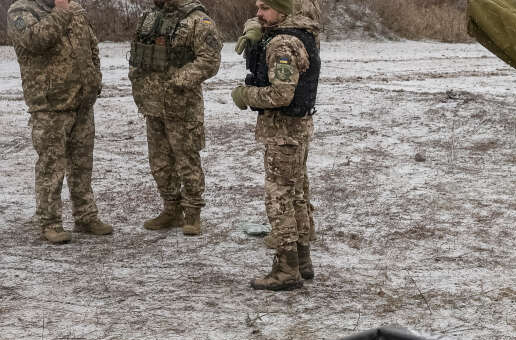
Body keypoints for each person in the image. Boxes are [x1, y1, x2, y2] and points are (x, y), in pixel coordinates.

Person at [230, 0, 320, 291]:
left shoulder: (282, 43)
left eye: (266, 8)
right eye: (258, 7)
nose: (258, 13)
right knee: (296, 195)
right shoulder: (300, 33)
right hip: (297, 129)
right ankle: (302, 260)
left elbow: (281, 94)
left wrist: (246, 95)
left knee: (279, 199)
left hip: (284, 132)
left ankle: (286, 269)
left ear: (283, 11)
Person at [8, 0, 111, 245]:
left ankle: (86, 216)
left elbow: (91, 45)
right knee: (51, 167)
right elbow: (35, 41)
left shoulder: (74, 9)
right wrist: (61, 12)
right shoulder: (21, 11)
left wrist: (94, 79)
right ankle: (50, 222)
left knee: (82, 164)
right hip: (50, 104)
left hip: (81, 101)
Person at [129, 0, 221, 236]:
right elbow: (141, 52)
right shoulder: (151, 16)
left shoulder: (198, 20)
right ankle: (171, 209)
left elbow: (209, 60)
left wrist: (179, 80)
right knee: (159, 162)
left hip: (182, 105)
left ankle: (192, 213)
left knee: (186, 159)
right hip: (152, 103)